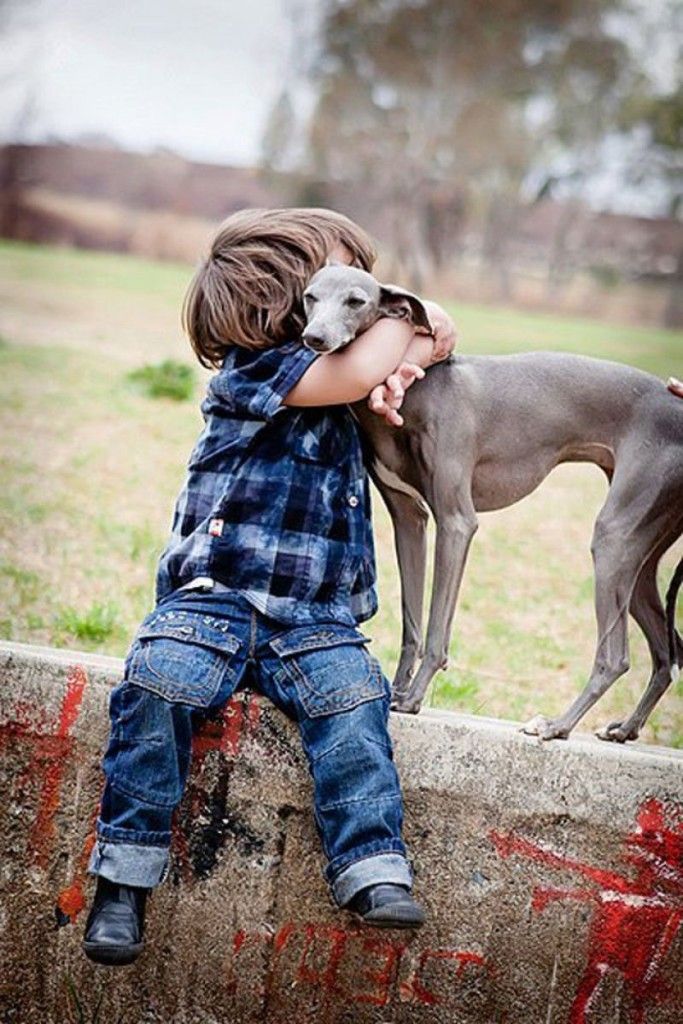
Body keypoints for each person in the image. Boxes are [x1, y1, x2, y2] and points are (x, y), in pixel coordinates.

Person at [82, 208, 456, 966]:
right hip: (210, 605)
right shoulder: (257, 374)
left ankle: (372, 869)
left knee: (355, 710)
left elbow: (372, 379)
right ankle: (123, 878)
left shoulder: (342, 388)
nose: (368, 302)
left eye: (370, 296)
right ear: (290, 301)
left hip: (316, 622)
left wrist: (406, 352)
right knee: (157, 691)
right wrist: (419, 318)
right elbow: (356, 367)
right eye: (345, 286)